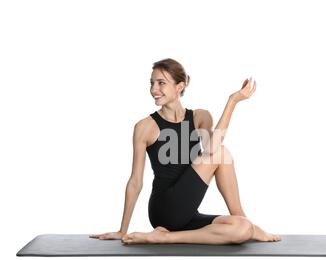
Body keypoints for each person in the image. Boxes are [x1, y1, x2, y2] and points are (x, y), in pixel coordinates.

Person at [90, 58, 281, 245]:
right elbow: (135, 182)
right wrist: (122, 230)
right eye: (152, 83)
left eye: (161, 83)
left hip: (187, 214)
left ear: (179, 87)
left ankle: (169, 236)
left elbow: (210, 148)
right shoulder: (145, 127)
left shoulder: (200, 117)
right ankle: (249, 226)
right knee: (222, 153)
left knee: (241, 229)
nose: (154, 90)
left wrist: (233, 101)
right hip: (164, 209)